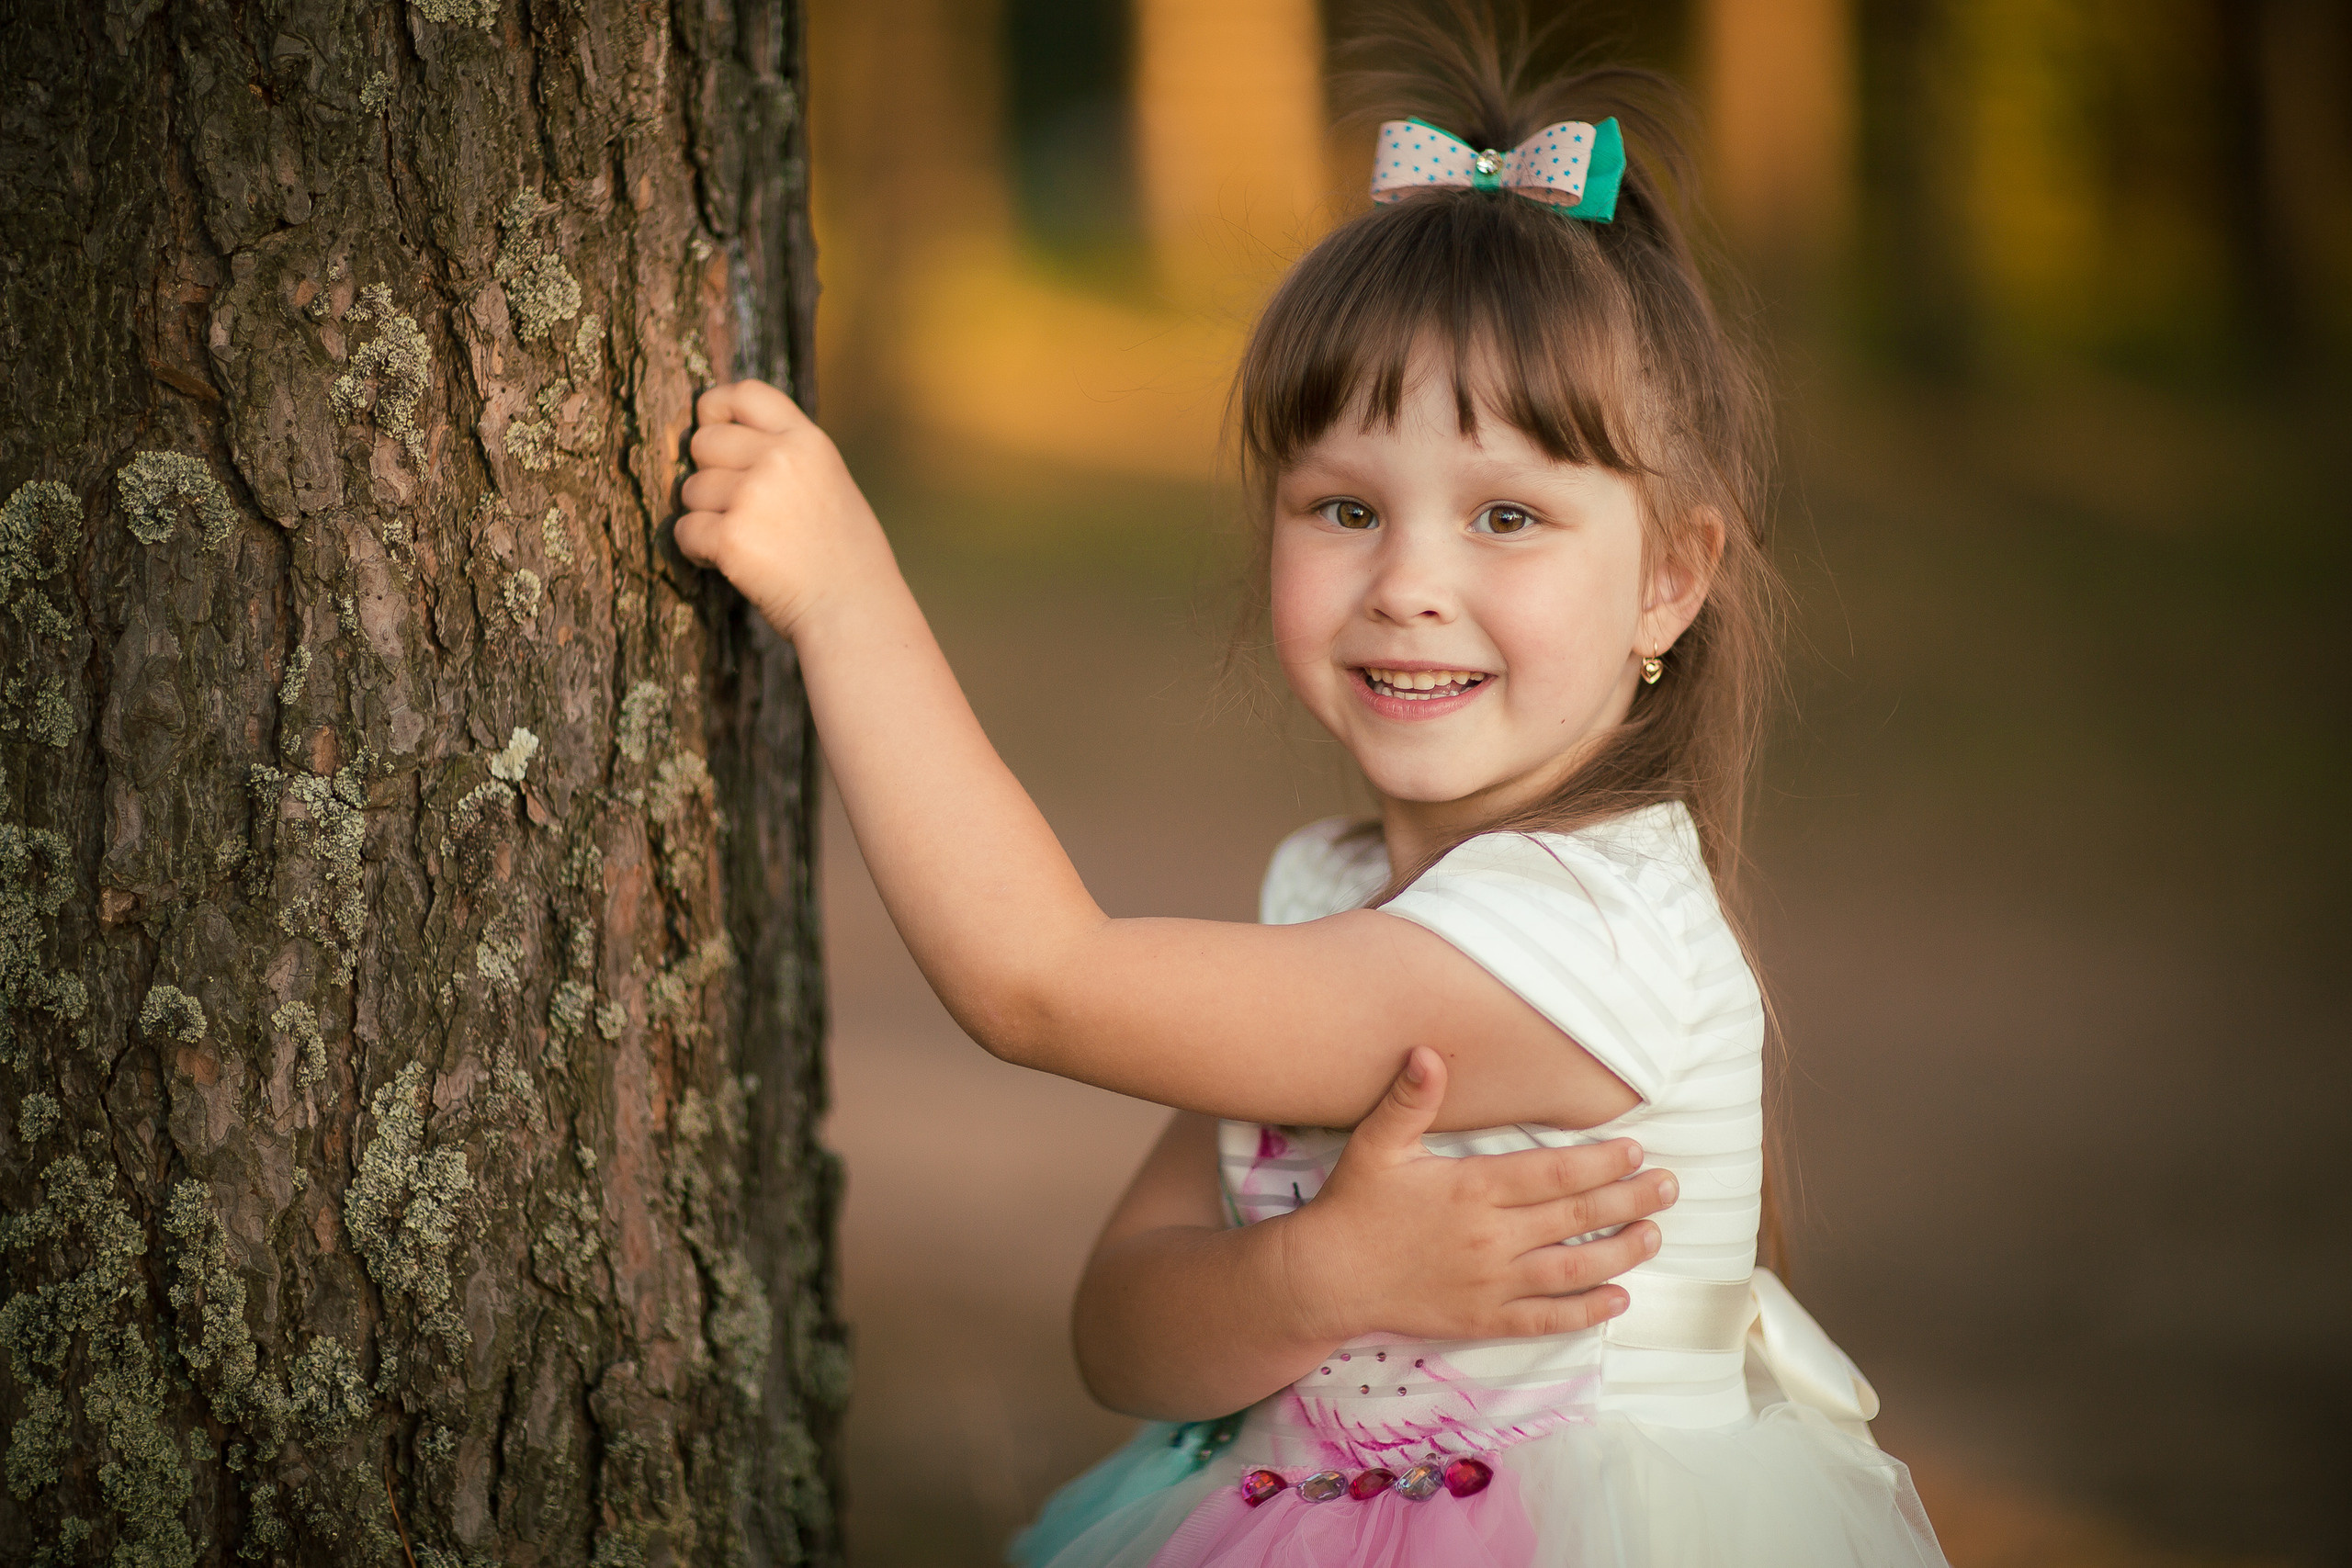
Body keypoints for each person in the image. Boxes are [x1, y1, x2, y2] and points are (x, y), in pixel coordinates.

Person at [673, 3, 1949, 1560]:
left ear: (1671, 578)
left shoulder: (1581, 942)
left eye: (1506, 517)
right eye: (1345, 509)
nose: (1409, 580)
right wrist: (1316, 1281)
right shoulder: (1335, 897)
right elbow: (1121, 1333)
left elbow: (1038, 985)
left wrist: (847, 595)